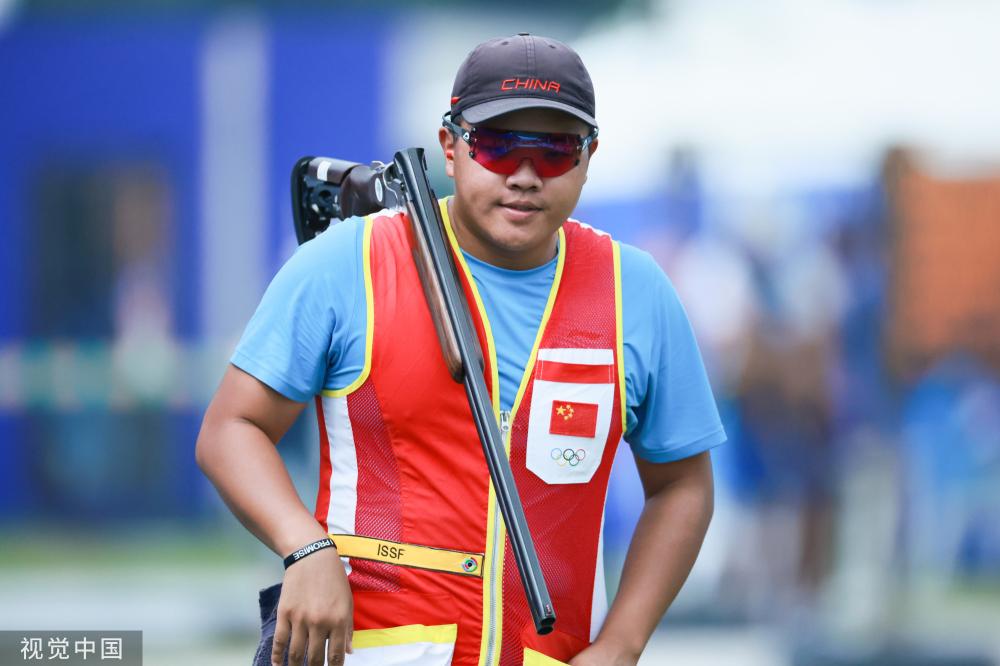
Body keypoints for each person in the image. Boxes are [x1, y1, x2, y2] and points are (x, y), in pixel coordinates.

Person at [196, 32, 725, 666]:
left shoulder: (636, 292)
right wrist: (304, 547)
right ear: (451, 147)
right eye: (498, 145)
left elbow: (683, 486)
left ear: (590, 157)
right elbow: (230, 428)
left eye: (555, 151)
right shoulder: (346, 263)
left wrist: (622, 642)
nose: (525, 176)